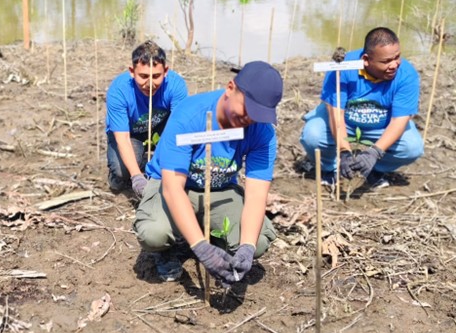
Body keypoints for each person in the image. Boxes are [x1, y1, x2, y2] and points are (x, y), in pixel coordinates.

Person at [133, 61, 282, 284]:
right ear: (230, 88)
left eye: (258, 115)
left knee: (257, 240)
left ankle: (222, 245)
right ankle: (169, 250)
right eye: (247, 110)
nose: (249, 120)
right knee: (154, 233)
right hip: (174, 185)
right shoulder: (189, 115)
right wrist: (201, 249)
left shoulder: (263, 133)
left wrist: (247, 248)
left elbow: (257, 196)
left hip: (220, 189)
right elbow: (173, 189)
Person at [300, 27, 424, 188]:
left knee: (412, 147)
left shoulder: (407, 74)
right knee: (313, 135)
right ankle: (330, 167)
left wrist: (375, 152)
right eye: (386, 61)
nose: (394, 65)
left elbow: (399, 121)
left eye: (397, 57)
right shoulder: (341, 67)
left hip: (382, 126)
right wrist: (344, 151)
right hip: (344, 121)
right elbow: (336, 114)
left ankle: (375, 169)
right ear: (366, 59)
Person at [105, 40, 188, 197]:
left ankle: (150, 160)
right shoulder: (118, 91)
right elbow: (122, 138)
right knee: (122, 170)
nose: (150, 84)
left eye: (156, 76)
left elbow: (178, 128)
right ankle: (130, 166)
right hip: (130, 133)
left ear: (166, 71)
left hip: (162, 128)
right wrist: (137, 177)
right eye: (143, 76)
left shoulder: (176, 86)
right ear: (132, 71)